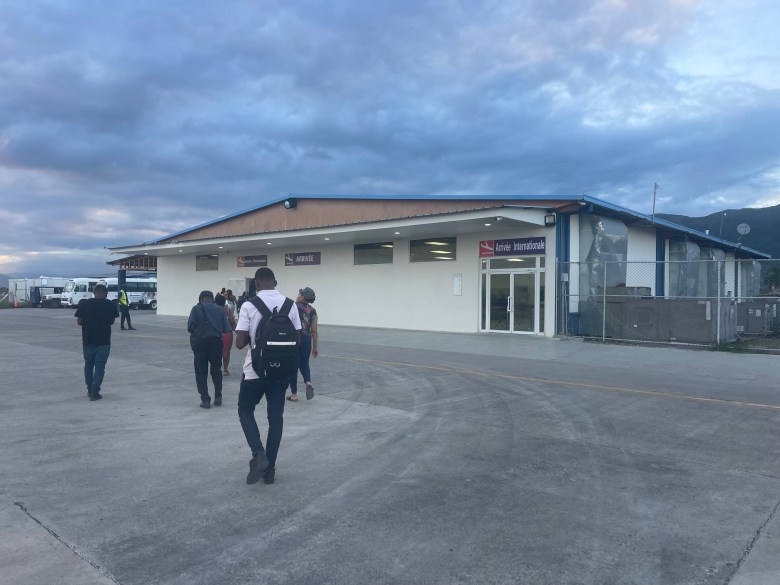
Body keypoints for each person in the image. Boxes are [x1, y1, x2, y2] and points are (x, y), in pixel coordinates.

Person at [236, 267, 301, 485]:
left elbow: (239, 344)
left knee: (245, 409)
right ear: (275, 281)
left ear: (256, 283)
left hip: (254, 370)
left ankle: (258, 453)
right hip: (281, 372)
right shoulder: (291, 305)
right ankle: (270, 470)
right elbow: (298, 341)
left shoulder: (248, 305)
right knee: (276, 419)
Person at [187, 290, 232, 409]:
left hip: (200, 344)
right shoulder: (219, 309)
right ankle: (218, 396)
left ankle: (205, 400)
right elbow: (226, 329)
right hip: (216, 343)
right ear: (212, 298)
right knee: (216, 370)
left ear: (200, 299)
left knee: (201, 372)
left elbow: (190, 327)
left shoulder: (195, 309)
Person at [75, 283, 119, 401]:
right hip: (103, 341)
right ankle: (95, 391)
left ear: (94, 293)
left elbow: (79, 322)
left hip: (88, 340)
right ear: (106, 293)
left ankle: (89, 388)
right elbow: (112, 321)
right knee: (100, 367)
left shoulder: (84, 303)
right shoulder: (111, 304)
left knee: (88, 365)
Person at [287, 287, 318, 402]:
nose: (298, 294)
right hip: (306, 339)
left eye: (300, 293)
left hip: (294, 338)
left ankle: (294, 394)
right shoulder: (313, 311)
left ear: (303, 297)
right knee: (304, 364)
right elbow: (314, 331)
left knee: (292, 367)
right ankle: (308, 382)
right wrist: (315, 347)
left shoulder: (292, 306)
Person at [215, 294, 236, 376]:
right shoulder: (227, 310)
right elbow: (232, 322)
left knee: (216, 352)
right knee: (226, 352)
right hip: (227, 334)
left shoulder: (213, 310)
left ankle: (216, 368)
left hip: (216, 333)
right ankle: (225, 369)